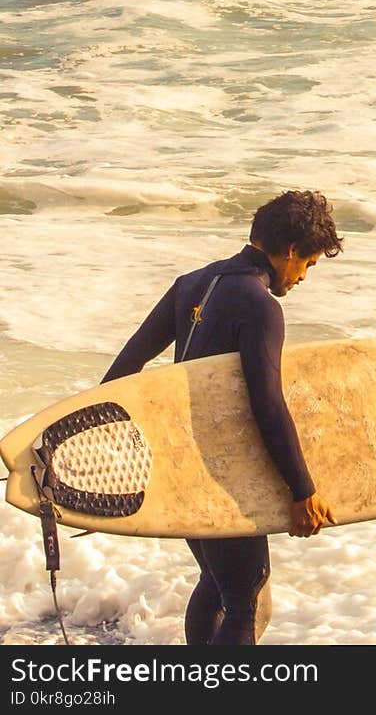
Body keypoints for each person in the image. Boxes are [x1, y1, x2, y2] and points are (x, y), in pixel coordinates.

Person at [102, 189, 343, 646]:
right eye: (307, 263)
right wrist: (303, 491)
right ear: (290, 251)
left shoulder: (190, 283)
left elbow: (121, 374)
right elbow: (267, 406)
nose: (304, 276)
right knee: (244, 596)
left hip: (181, 465)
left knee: (218, 583)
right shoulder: (260, 307)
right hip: (225, 474)